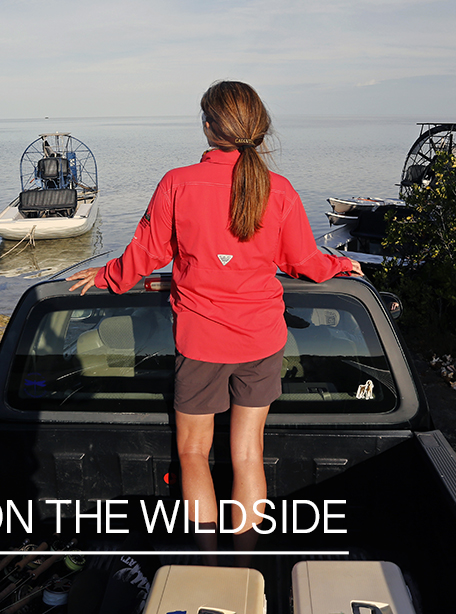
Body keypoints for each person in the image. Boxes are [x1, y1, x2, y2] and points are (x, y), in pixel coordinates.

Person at [67, 81, 361, 555]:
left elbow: (145, 254)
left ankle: (207, 561)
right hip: (262, 341)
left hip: (201, 342)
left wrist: (107, 276)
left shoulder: (178, 183)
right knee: (247, 455)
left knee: (192, 453)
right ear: (258, 129)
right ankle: (244, 563)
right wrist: (340, 264)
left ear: (208, 126)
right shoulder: (279, 190)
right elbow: (303, 261)